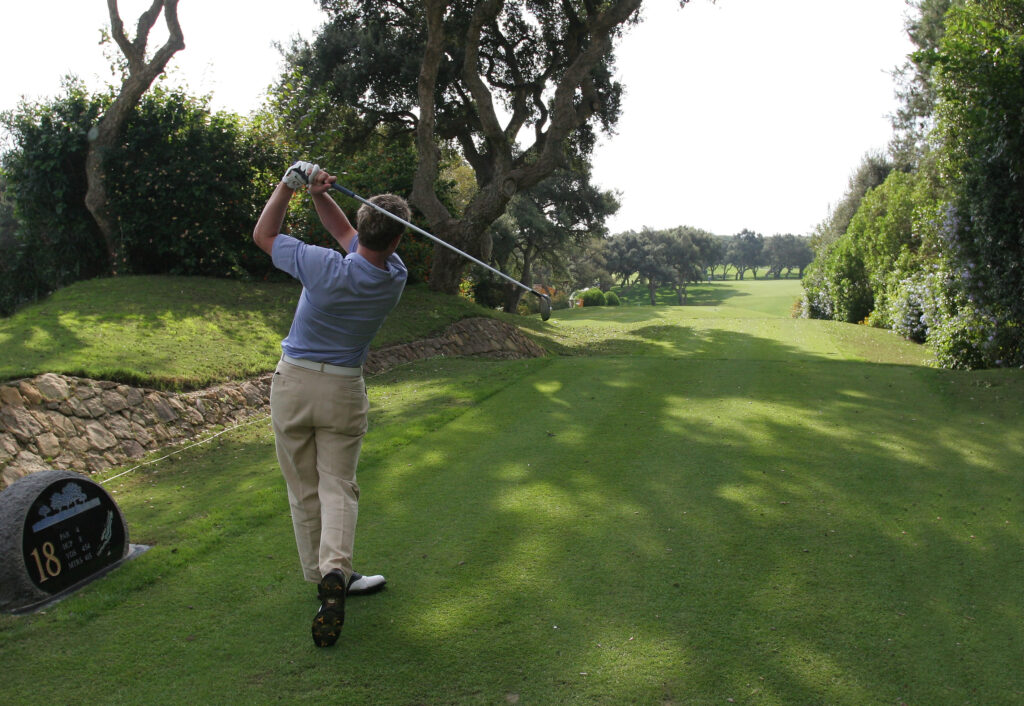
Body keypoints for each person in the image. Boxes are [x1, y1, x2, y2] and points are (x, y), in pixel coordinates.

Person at [253, 161, 410, 647]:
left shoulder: (319, 266)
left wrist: (289, 185)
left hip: (294, 385)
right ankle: (335, 574)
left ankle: (323, 581)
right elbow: (348, 233)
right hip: (343, 389)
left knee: (304, 489)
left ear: (365, 226)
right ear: (397, 242)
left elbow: (264, 234)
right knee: (338, 486)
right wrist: (321, 194)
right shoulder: (393, 278)